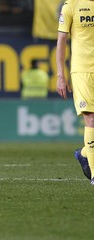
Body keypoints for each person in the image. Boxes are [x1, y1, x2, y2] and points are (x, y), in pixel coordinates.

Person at [56, 0, 94, 183]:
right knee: (91, 118)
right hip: (82, 71)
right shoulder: (71, 5)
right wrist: (60, 76)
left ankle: (85, 153)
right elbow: (61, 40)